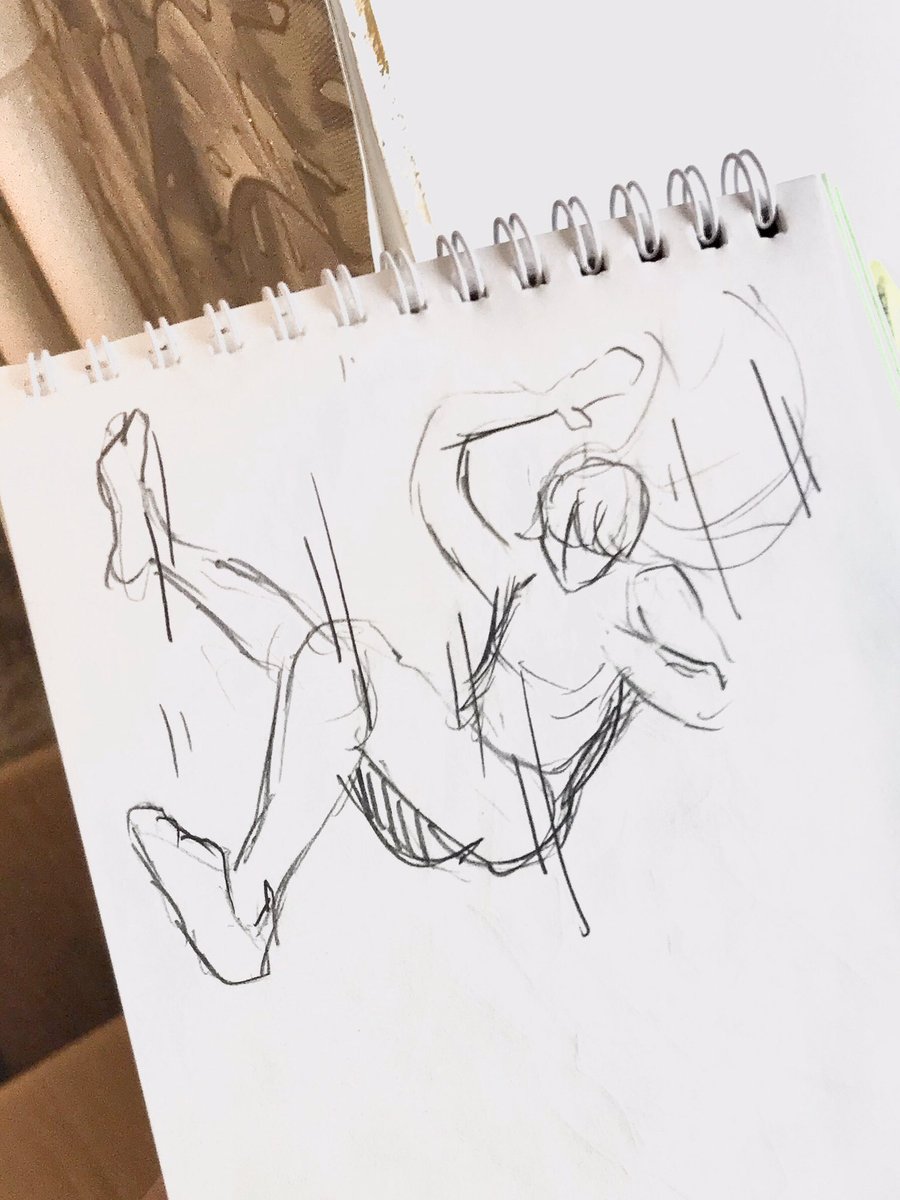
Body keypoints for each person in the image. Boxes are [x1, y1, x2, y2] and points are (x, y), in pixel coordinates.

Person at [103, 289, 813, 984]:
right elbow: (441, 449)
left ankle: (243, 909)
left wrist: (640, 661)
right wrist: (551, 400)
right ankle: (154, 552)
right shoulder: (520, 571)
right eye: (562, 529)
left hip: (508, 807)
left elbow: (718, 691)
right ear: (547, 510)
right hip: (450, 763)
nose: (573, 556)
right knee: (318, 648)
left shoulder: (642, 595)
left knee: (337, 660)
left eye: (595, 542)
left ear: (625, 543)